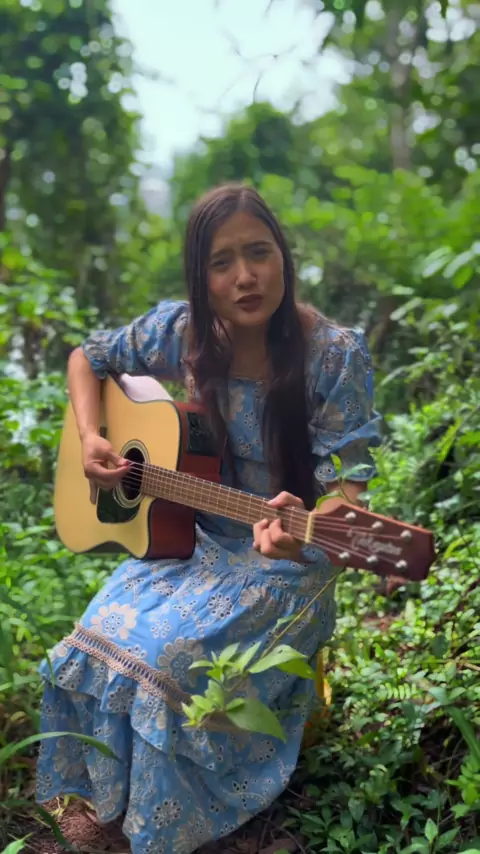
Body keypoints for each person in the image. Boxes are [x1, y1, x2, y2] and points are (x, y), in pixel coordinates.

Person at [36, 183, 382, 854]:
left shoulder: (335, 354)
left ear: (283, 257)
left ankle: (181, 820)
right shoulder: (184, 332)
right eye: (222, 262)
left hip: (288, 559)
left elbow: (350, 495)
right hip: (193, 543)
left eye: (259, 253)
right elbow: (88, 356)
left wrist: (310, 526)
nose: (245, 276)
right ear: (200, 277)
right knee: (95, 634)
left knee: (167, 658)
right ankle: (115, 803)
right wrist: (90, 437)